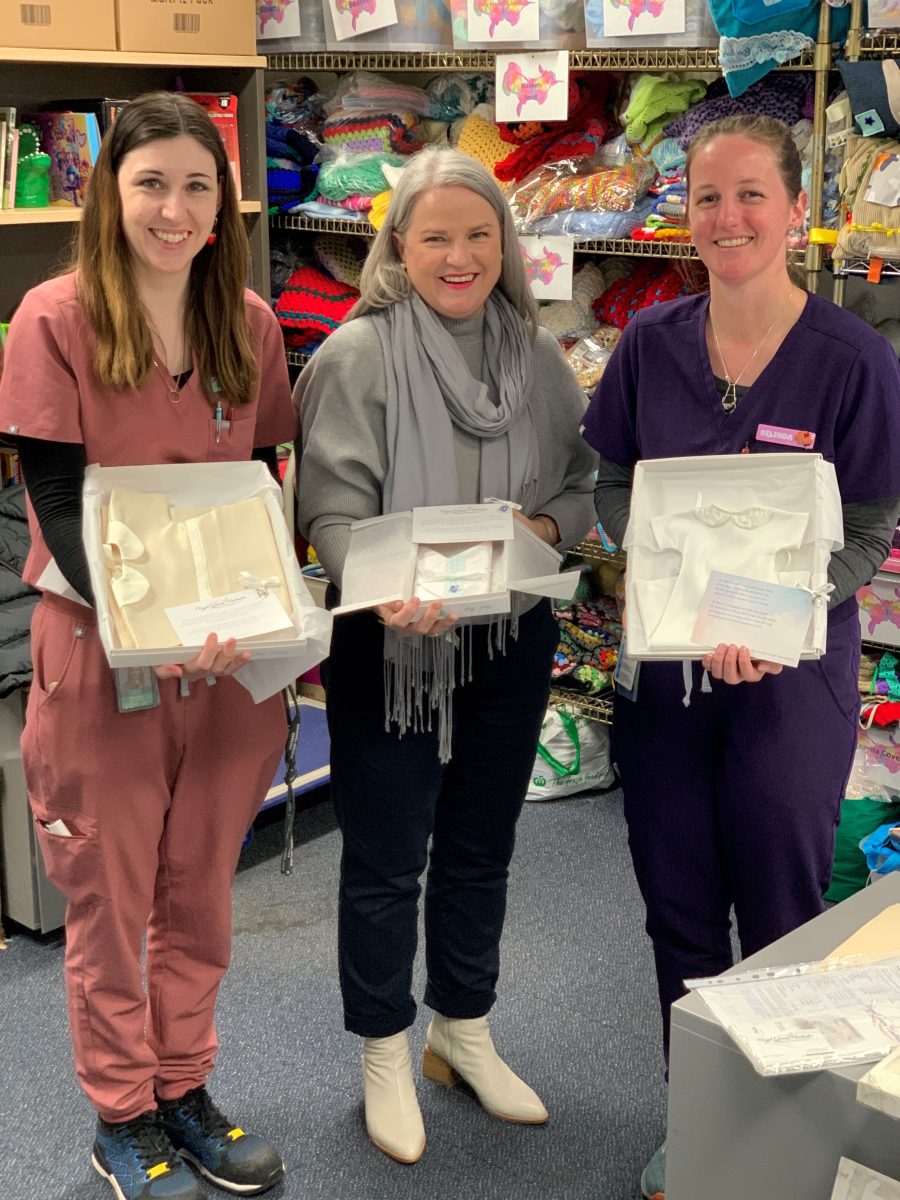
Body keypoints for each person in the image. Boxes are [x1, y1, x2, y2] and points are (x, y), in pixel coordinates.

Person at [582, 113, 900, 1200]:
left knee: (781, 901)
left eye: (751, 194)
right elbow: (606, 485)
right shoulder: (649, 345)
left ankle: (781, 1138)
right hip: (666, 675)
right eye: (708, 197)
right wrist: (669, 587)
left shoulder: (855, 360)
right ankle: (699, 1118)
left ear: (797, 209)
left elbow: (866, 527)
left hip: (790, 679)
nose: (727, 217)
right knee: (676, 901)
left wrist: (771, 614)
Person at [0, 92, 296, 1200]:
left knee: (201, 891)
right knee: (112, 899)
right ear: (108, 194)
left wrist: (259, 613)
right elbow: (58, 499)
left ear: (223, 201)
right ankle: (121, 1114)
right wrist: (152, 627)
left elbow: (262, 483)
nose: (173, 210)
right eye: (150, 184)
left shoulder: (251, 324)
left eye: (195, 186)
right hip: (104, 659)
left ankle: (185, 1088)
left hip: (226, 665)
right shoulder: (54, 317)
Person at [295, 146, 596, 1164]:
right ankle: (384, 1047)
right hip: (390, 646)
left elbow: (576, 490)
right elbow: (328, 510)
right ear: (400, 246)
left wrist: (545, 533)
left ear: (504, 244)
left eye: (480, 235)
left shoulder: (537, 353)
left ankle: (460, 1030)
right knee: (386, 858)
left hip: (509, 635)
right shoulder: (358, 355)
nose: (461, 255)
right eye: (437, 236)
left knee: (482, 846)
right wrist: (383, 589)